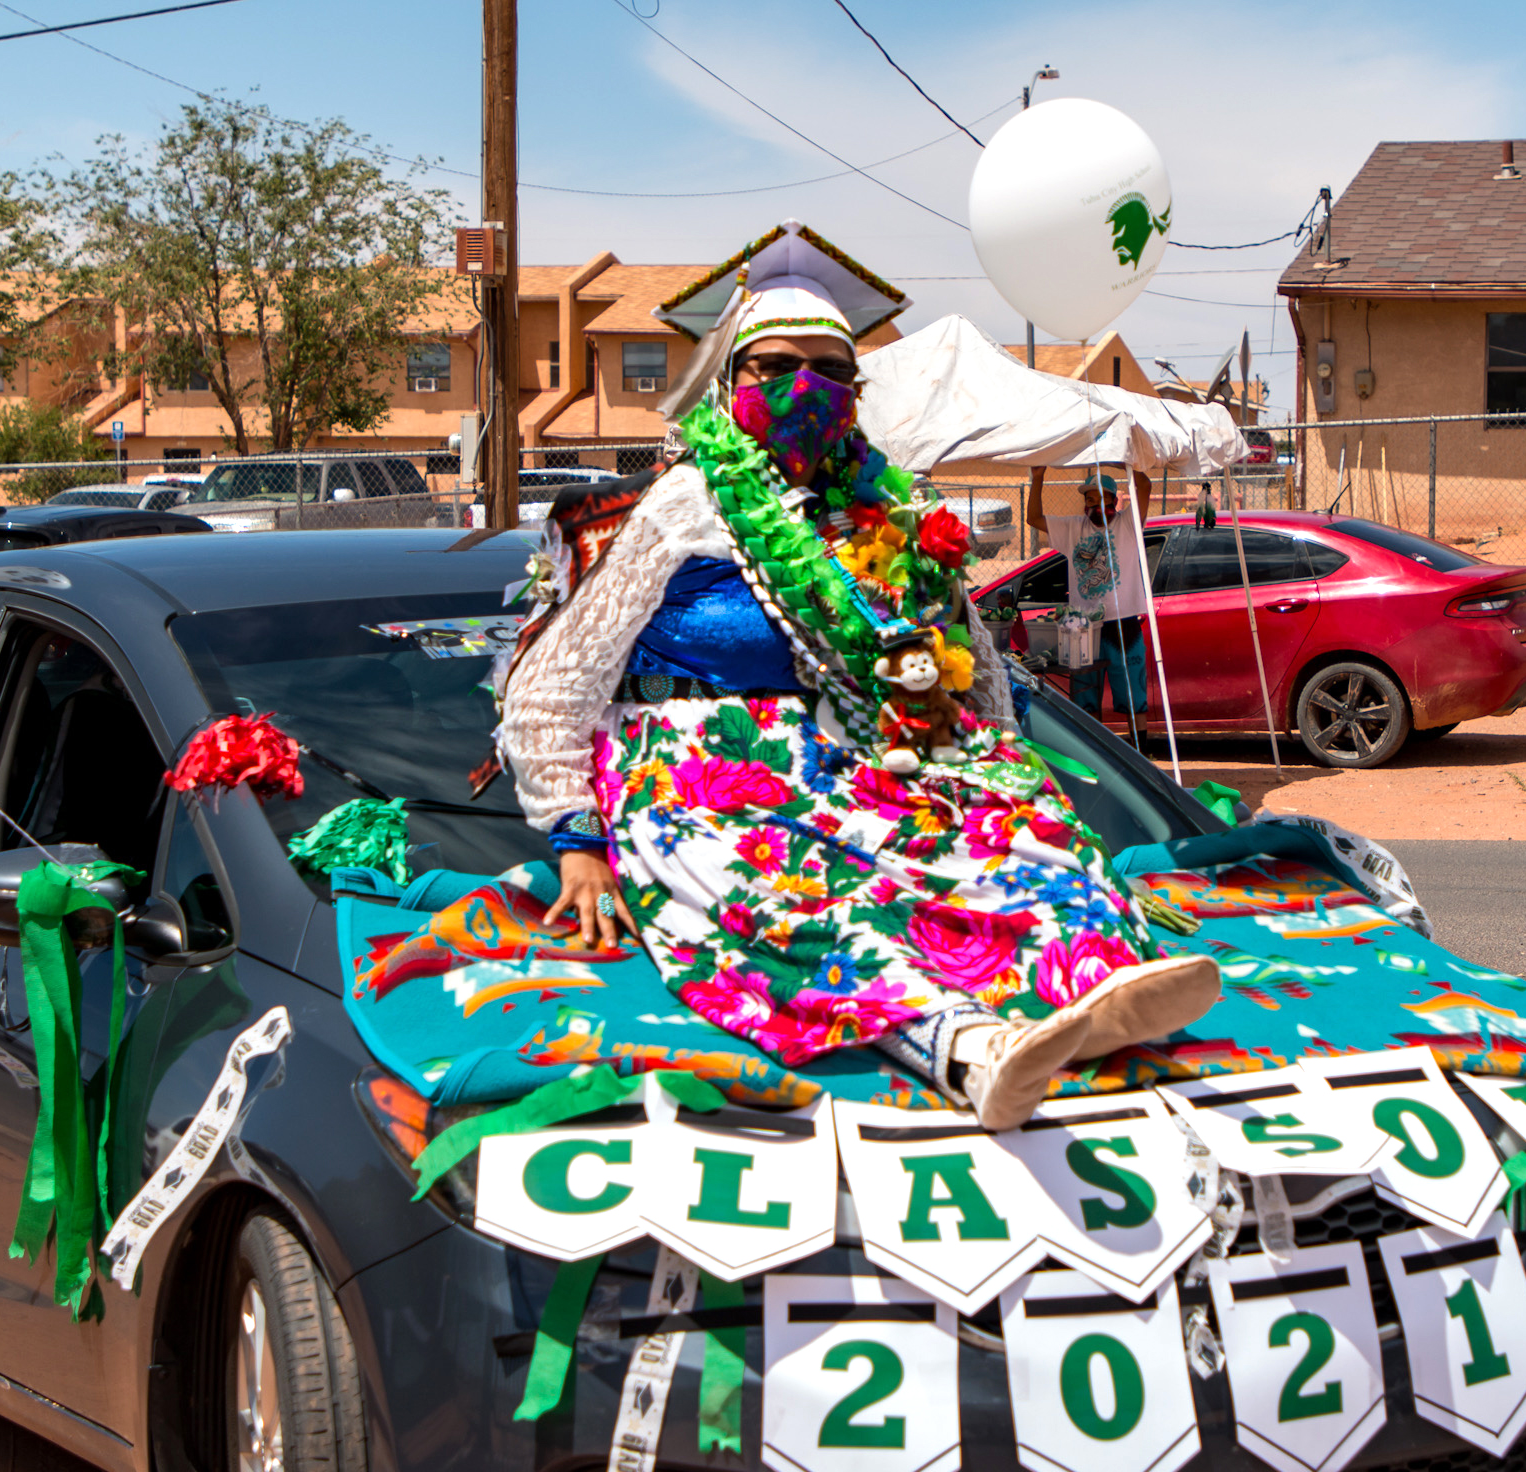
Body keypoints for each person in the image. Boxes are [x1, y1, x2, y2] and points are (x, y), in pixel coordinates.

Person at [495, 233, 1217, 1131]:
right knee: (801, 903)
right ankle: (964, 1048)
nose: (806, 386)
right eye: (777, 365)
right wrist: (575, 837)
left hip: (855, 761)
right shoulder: (686, 502)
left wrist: (990, 770)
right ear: (732, 381)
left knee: (1015, 841)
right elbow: (559, 679)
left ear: (857, 394)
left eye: (832, 371)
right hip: (699, 769)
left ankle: (1099, 984)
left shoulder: (892, 509)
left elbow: (971, 667)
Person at [1026, 468, 1157, 717]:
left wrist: (1125, 461)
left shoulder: (1129, 523)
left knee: (1133, 698)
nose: (1095, 505)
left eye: (1102, 498)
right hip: (1083, 629)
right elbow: (1034, 519)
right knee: (1085, 701)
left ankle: (1138, 750)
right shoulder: (1073, 529)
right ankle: (1093, 751)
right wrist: (1038, 478)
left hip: (1124, 625)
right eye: (1089, 499)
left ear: (1114, 501)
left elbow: (1145, 485)